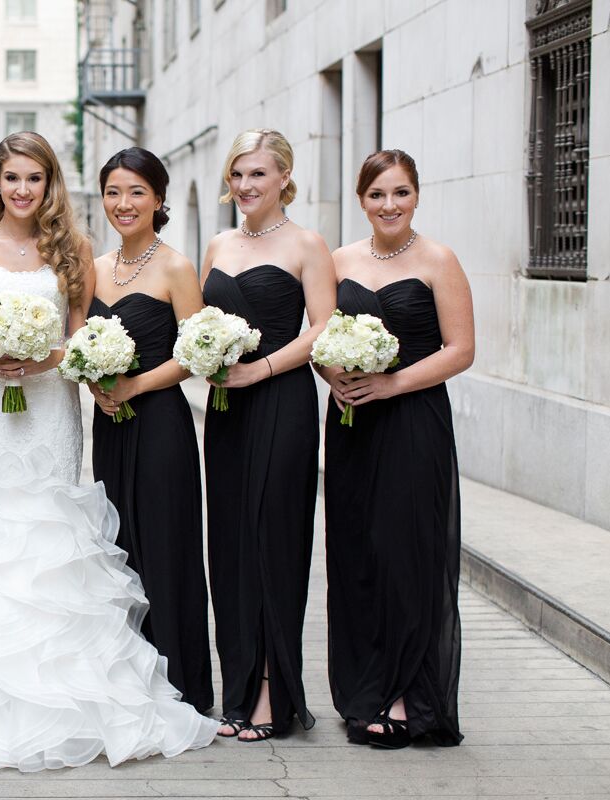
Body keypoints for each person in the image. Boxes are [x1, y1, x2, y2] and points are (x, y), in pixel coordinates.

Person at [0, 132, 218, 770]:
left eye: (34, 178)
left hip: (51, 407)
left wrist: (45, 356)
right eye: (11, 178)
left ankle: (75, 699)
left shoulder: (74, 248)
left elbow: (81, 340)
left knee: (53, 530)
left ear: (48, 182)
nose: (22, 189)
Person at [322, 149, 473, 749]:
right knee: (359, 553)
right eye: (378, 194)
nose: (390, 205)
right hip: (353, 425)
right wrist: (333, 377)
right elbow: (320, 340)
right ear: (361, 199)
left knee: (409, 551)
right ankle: (367, 692)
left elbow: (460, 349)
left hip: (414, 421)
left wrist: (390, 384)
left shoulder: (439, 260)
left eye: (401, 193)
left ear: (417, 195)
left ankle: (413, 693)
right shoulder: (337, 262)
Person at [200, 129, 336, 742]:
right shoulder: (217, 244)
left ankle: (271, 691)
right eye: (237, 175)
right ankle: (237, 685)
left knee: (271, 540)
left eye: (258, 174)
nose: (246, 186)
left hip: (282, 402)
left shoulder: (307, 245)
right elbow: (202, 322)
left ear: (284, 177)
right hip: (227, 410)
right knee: (228, 545)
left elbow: (322, 331)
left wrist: (262, 367)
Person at [88, 146, 213, 712]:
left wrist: (136, 386)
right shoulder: (94, 269)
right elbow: (80, 347)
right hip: (110, 427)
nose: (124, 203)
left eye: (136, 191)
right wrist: (93, 381)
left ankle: (180, 684)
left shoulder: (177, 267)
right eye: (113, 192)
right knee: (119, 548)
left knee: (166, 547)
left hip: (160, 422)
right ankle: (129, 680)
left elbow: (195, 354)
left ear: (159, 199)